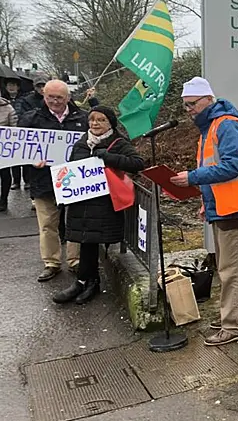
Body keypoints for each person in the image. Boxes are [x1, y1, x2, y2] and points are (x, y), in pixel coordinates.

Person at [170, 77, 238, 347]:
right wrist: (206, 201)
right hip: (226, 206)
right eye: (185, 105)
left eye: (192, 104)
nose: (189, 110)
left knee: (231, 269)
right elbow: (218, 171)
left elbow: (232, 167)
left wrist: (192, 178)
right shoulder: (213, 126)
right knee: (232, 267)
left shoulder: (226, 125)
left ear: (208, 100)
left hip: (235, 208)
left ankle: (234, 325)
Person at [53, 106, 145, 305]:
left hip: (105, 204)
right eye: (92, 119)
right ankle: (83, 282)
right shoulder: (81, 143)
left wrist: (108, 157)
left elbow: (138, 163)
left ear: (110, 123)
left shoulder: (118, 143)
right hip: (81, 204)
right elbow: (72, 169)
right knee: (85, 242)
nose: (95, 123)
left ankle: (90, 282)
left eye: (101, 120)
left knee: (92, 240)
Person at [19, 80, 87, 282]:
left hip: (74, 179)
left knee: (76, 221)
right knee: (48, 224)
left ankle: (76, 260)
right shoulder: (30, 118)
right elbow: (21, 148)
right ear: (43, 96)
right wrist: (31, 162)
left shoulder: (82, 118)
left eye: (59, 97)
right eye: (50, 97)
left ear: (68, 97)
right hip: (43, 180)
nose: (55, 101)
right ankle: (52, 263)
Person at [0, 92, 18, 212]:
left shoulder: (7, 108)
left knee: (5, 174)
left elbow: (15, 128)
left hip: (3, 148)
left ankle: (3, 200)